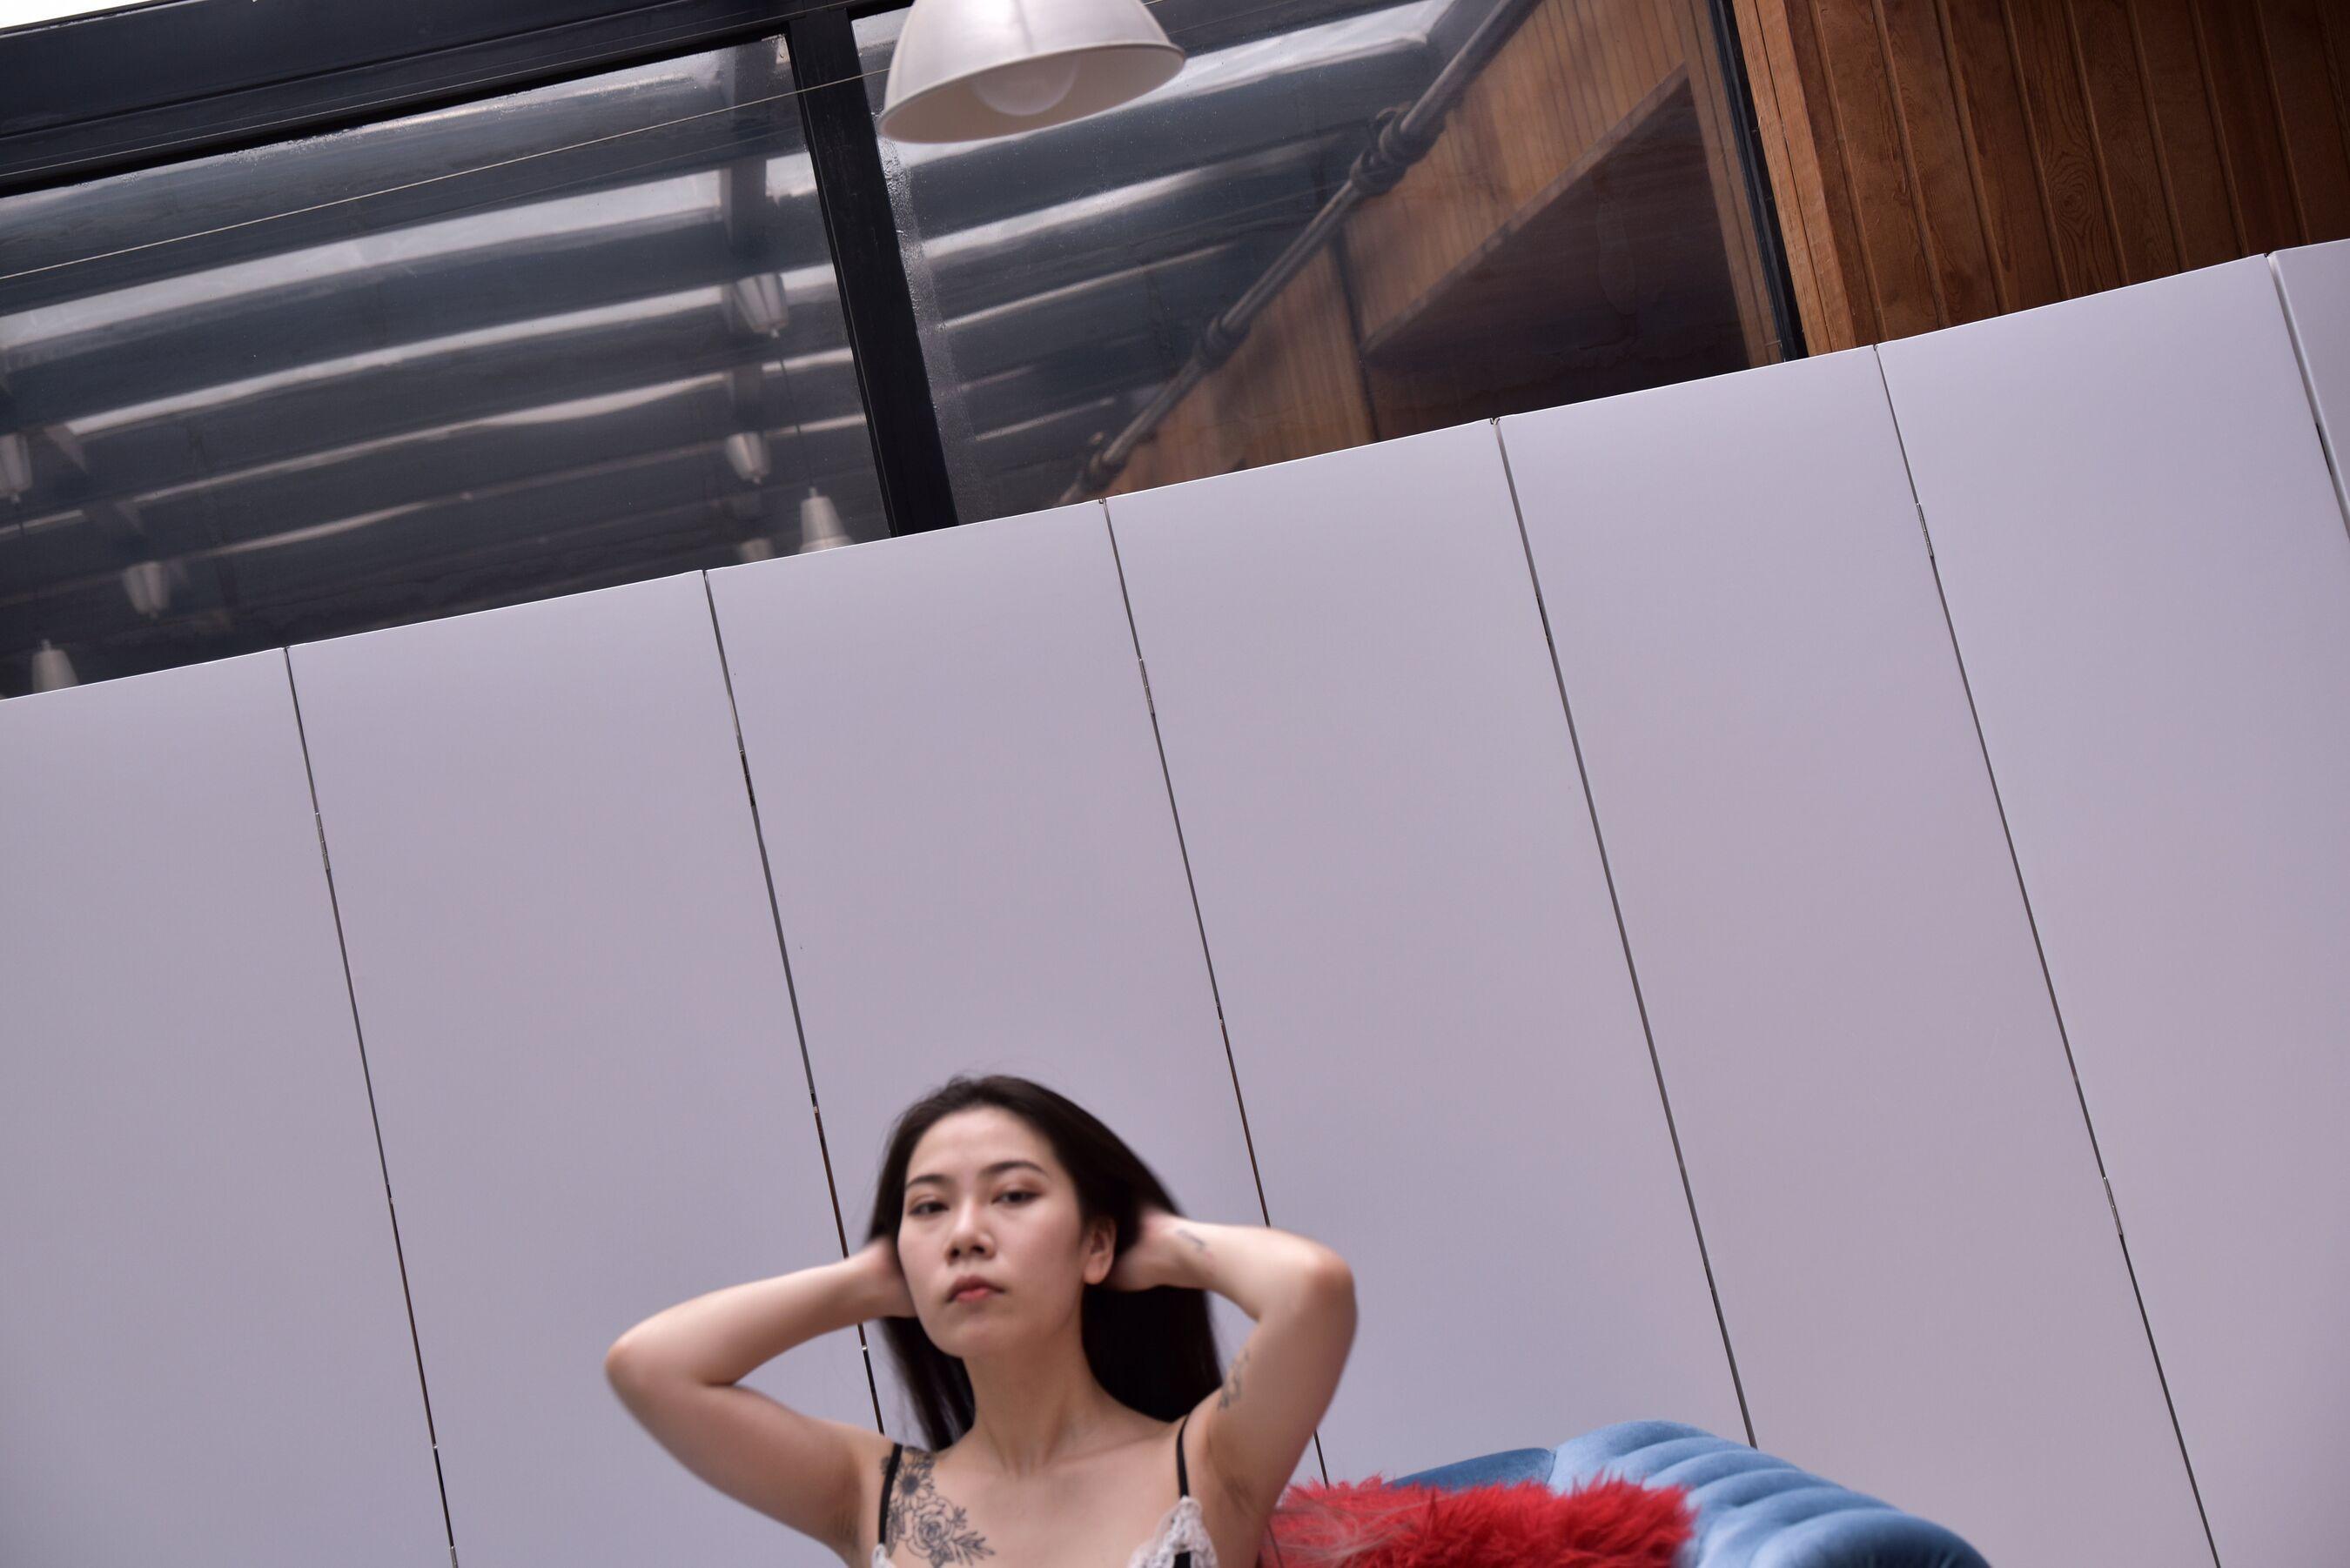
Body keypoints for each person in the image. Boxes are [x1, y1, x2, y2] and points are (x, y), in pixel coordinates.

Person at [603, 1073, 1358, 1568]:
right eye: (929, 1207)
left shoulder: (1208, 1462)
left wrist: (1153, 1241)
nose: (964, 1233)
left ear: (1096, 1241)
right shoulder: (872, 1493)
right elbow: (649, 1367)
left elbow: (1311, 1288)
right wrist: (867, 1282)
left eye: (1014, 1195)